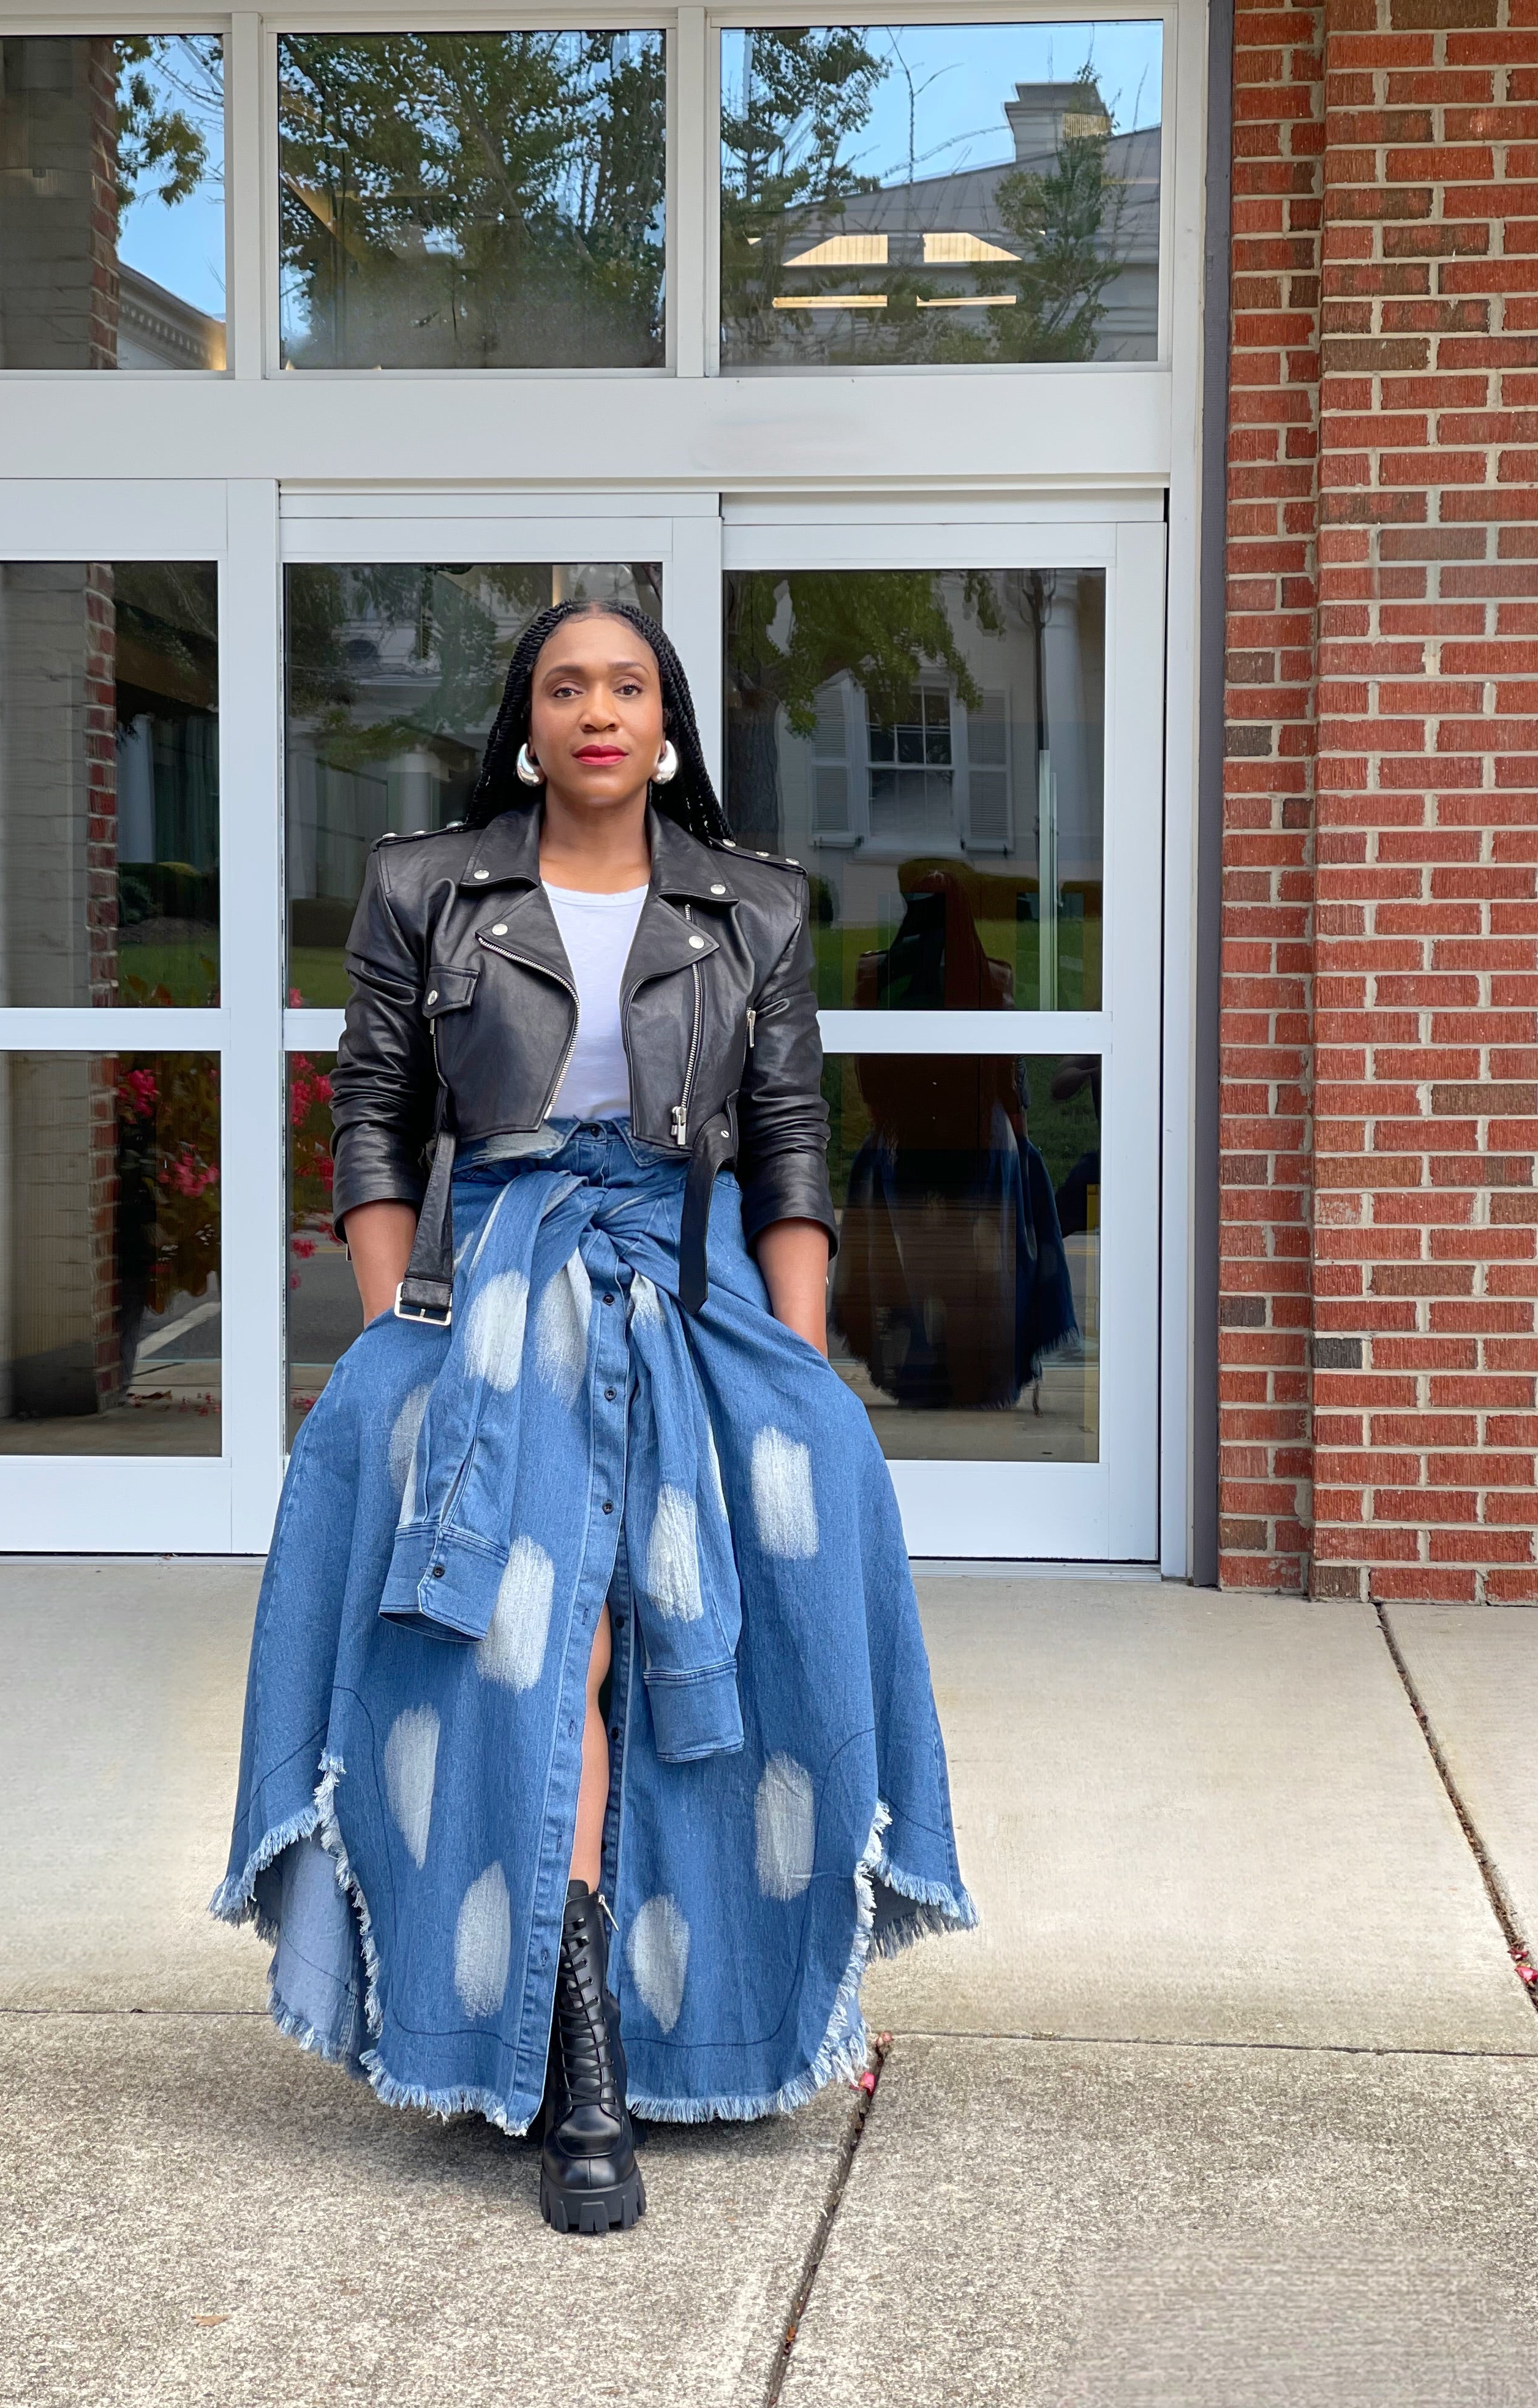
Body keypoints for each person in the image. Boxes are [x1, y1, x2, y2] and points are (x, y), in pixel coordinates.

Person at [214, 601, 973, 2237]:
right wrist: (405, 1325)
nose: (598, 711)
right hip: (499, 1272)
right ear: (527, 720)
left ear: (667, 719)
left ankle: (730, 1982)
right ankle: (578, 2046)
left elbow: (787, 1151)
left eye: (627, 685)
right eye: (567, 685)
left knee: (807, 1510)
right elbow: (372, 1115)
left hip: (685, 1274)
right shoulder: (429, 886)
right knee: (555, 1626)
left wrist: (795, 1367)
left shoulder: (753, 904)